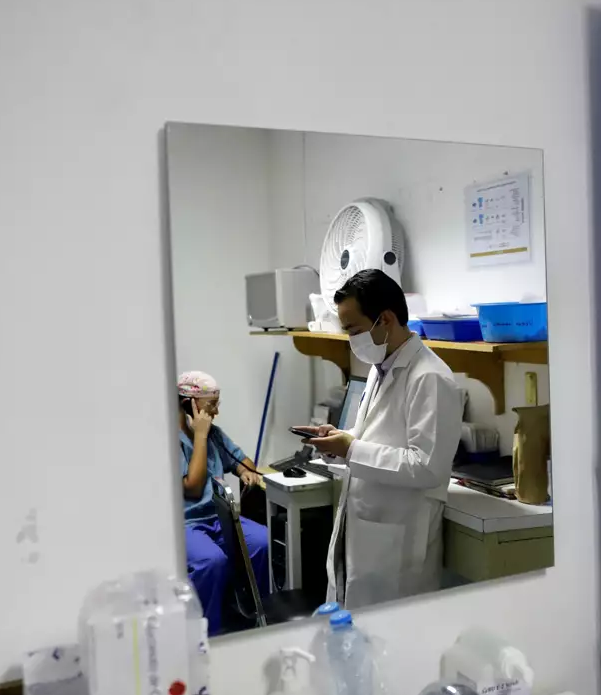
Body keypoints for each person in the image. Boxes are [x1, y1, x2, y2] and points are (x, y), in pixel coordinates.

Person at [297, 269, 463, 608]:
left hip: (398, 544)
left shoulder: (430, 378)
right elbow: (378, 434)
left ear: (385, 319)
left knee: (392, 632)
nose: (351, 340)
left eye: (354, 330)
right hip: (365, 530)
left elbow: (426, 467)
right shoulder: (381, 368)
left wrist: (351, 449)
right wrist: (341, 439)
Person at [177, 371, 269, 634]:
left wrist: (244, 471)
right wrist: (200, 437)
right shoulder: (174, 440)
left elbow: (243, 461)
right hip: (188, 523)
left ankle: (255, 619)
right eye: (211, 405)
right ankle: (207, 633)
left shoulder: (214, 435)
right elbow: (193, 487)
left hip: (220, 518)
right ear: (189, 405)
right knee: (211, 561)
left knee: (262, 542)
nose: (216, 412)